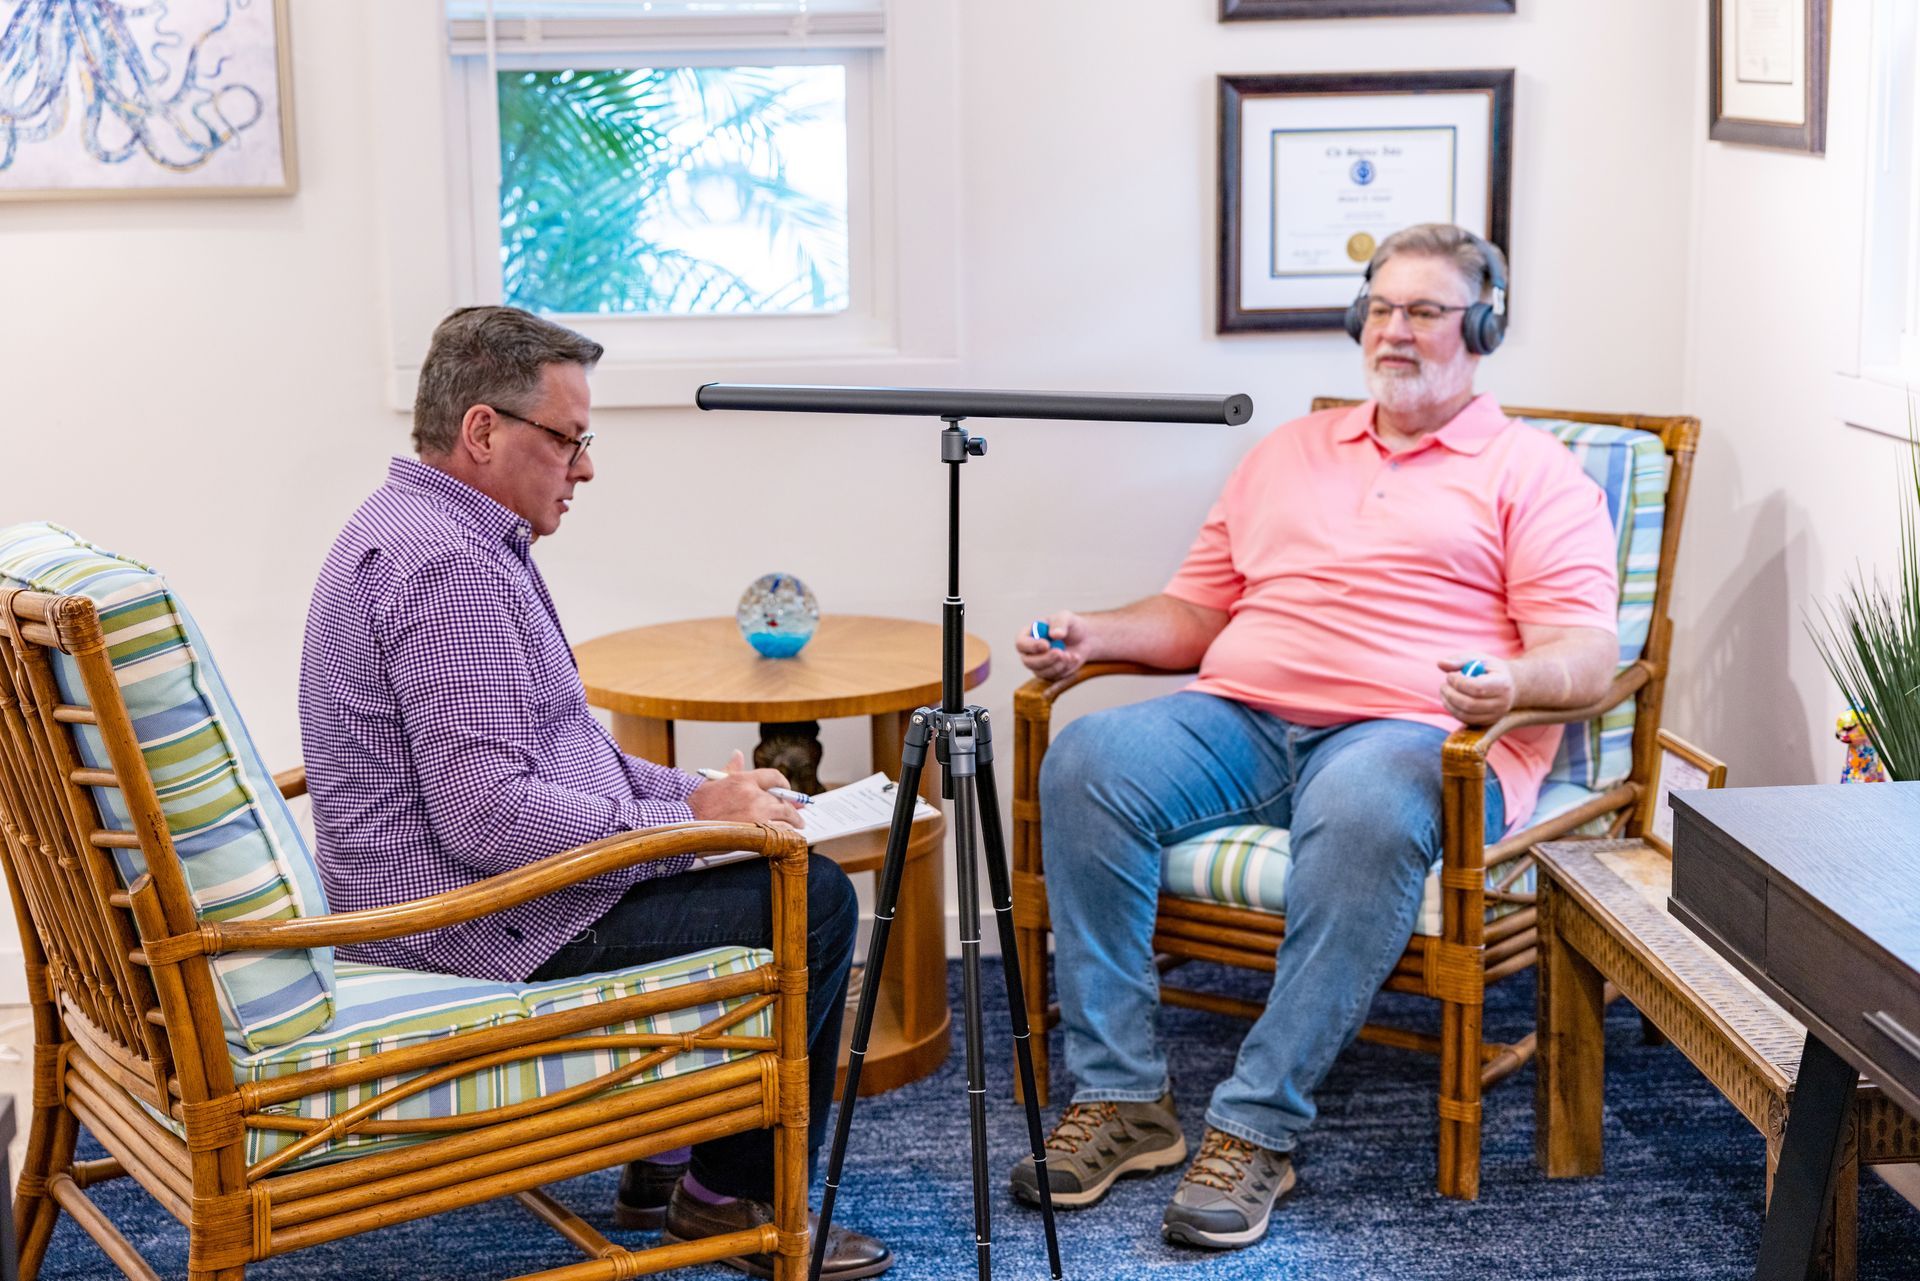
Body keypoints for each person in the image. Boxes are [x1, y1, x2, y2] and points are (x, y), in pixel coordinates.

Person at [1008, 224, 1620, 1251]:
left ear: (1481, 329)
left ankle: (1256, 1126)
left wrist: (1511, 680)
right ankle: (1124, 1100)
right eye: (1379, 308)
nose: (1394, 330)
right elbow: (1198, 613)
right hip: (1245, 718)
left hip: (1415, 735)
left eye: (1424, 311)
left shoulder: (1533, 472)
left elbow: (1586, 657)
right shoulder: (1285, 454)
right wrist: (1097, 636)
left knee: (1367, 805)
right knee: (1088, 761)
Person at [298, 305, 891, 1280]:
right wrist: (686, 827)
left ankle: (663, 1153)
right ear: (483, 431)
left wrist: (700, 796)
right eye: (569, 441)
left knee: (753, 854)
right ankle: (726, 1193)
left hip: (472, 894)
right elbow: (489, 815)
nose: (585, 469)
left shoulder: (436, 530)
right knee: (812, 901)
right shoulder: (449, 564)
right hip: (467, 925)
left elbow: (558, 750)